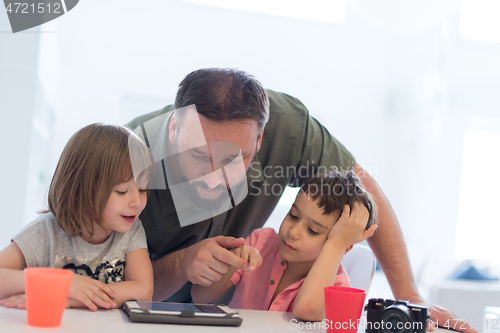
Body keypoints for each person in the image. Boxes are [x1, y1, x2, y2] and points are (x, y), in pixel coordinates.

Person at [126, 68, 476, 333]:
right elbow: (100, 279)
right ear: (173, 129)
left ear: (261, 138)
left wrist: (408, 295)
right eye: (199, 156)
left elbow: (361, 190)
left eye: (235, 160)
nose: (215, 177)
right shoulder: (125, 157)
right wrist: (182, 264)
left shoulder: (288, 128)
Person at [0, 123, 154, 311]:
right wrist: (63, 283)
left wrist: (72, 299)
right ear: (78, 191)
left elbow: (144, 290)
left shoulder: (132, 230)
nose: (137, 201)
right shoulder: (45, 231)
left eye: (142, 189)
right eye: (121, 191)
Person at [192, 170, 377, 321]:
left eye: (312, 230)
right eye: (293, 216)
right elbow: (200, 296)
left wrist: (337, 244)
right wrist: (233, 261)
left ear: (341, 247)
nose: (293, 232)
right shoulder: (260, 243)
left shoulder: (337, 286)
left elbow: (307, 310)